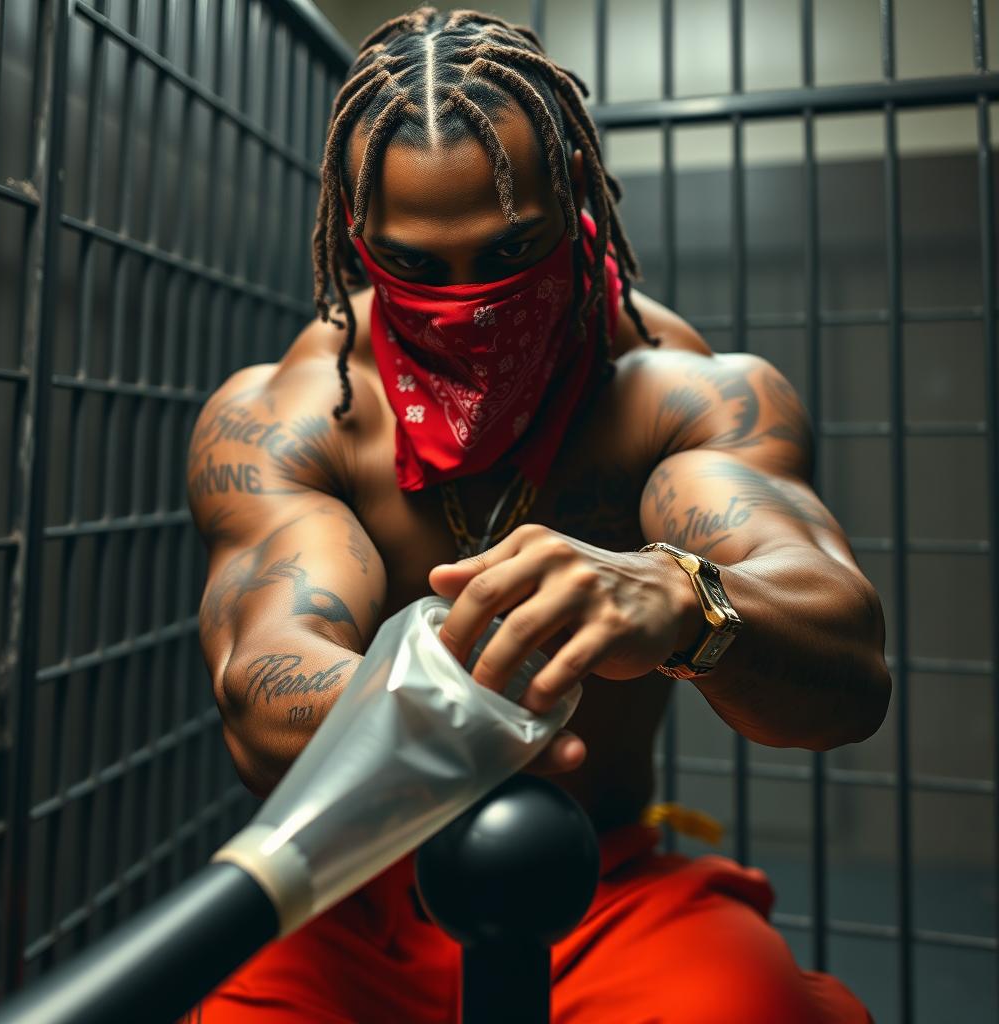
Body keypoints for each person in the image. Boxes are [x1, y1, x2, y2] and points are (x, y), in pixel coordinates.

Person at [182, 7, 890, 1022]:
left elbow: (847, 672)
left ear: (577, 201)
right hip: (353, 885)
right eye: (421, 270)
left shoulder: (680, 395)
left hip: (596, 882)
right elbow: (260, 683)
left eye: (514, 250)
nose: (473, 304)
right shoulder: (293, 418)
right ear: (357, 240)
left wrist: (682, 597)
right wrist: (449, 702)